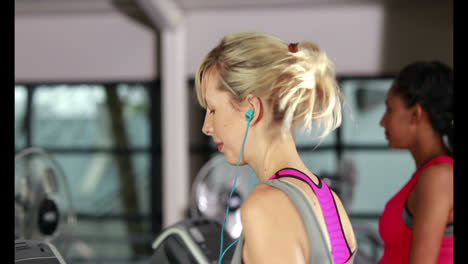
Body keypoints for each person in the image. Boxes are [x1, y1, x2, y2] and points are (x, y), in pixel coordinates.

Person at [194, 31, 357, 263]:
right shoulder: (329, 201)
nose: (206, 127)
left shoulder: (266, 206)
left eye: (212, 110)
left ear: (251, 108)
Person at [378, 61, 453, 263]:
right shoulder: (428, 175)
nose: (382, 121)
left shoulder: (439, 178)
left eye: (389, 109)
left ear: (415, 114)